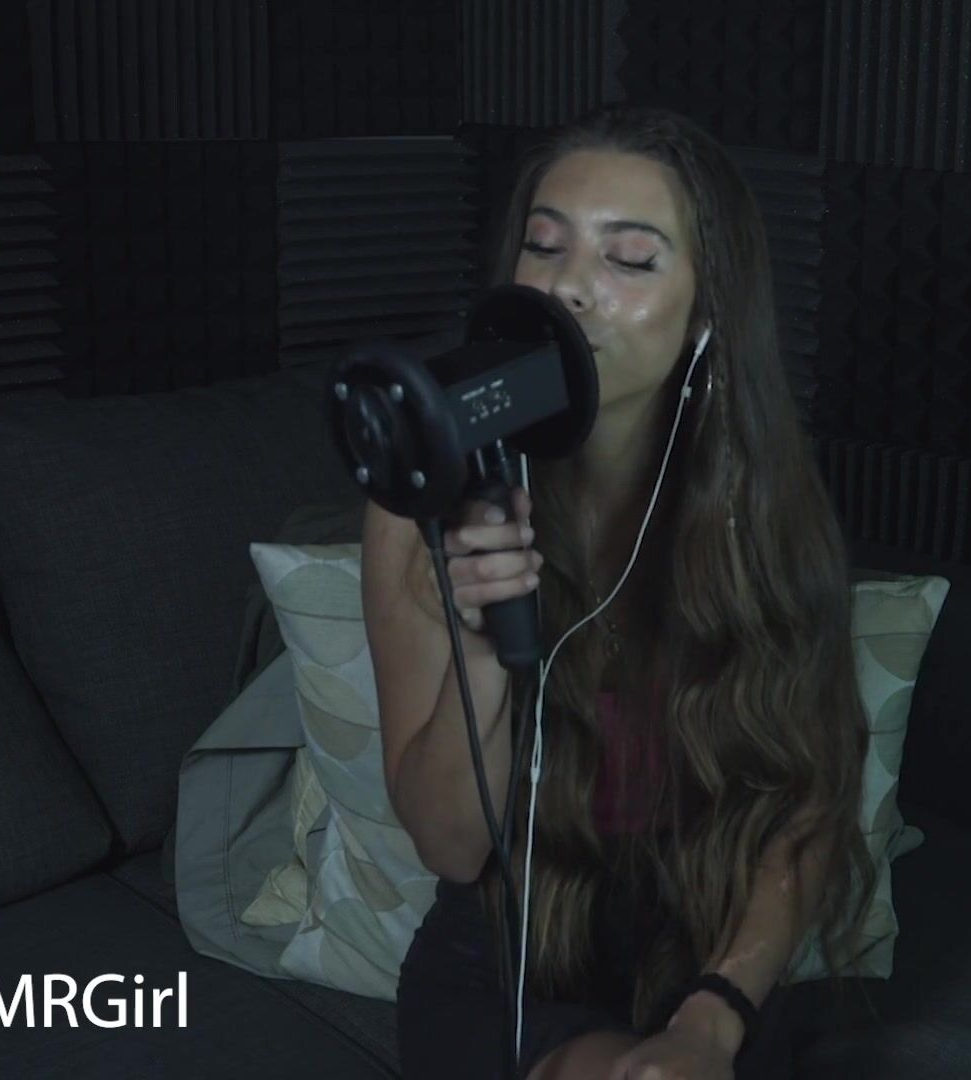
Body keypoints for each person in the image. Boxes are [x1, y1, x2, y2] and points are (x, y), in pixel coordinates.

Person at [362, 105, 877, 1080]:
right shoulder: (422, 507)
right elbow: (450, 845)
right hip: (508, 973)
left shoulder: (767, 516)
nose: (568, 287)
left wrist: (714, 1017)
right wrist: (483, 645)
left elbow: (805, 809)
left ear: (706, 314)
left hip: (707, 968)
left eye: (630, 259)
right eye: (544, 245)